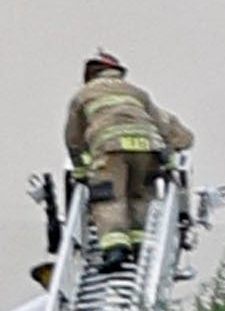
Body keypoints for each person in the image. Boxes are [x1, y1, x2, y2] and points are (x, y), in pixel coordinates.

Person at [65, 53, 192, 264]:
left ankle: (116, 249)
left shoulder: (83, 95)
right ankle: (140, 245)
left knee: (109, 198)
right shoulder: (138, 93)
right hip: (147, 151)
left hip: (110, 151)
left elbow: (74, 138)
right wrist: (168, 159)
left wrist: (80, 170)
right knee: (140, 196)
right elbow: (164, 127)